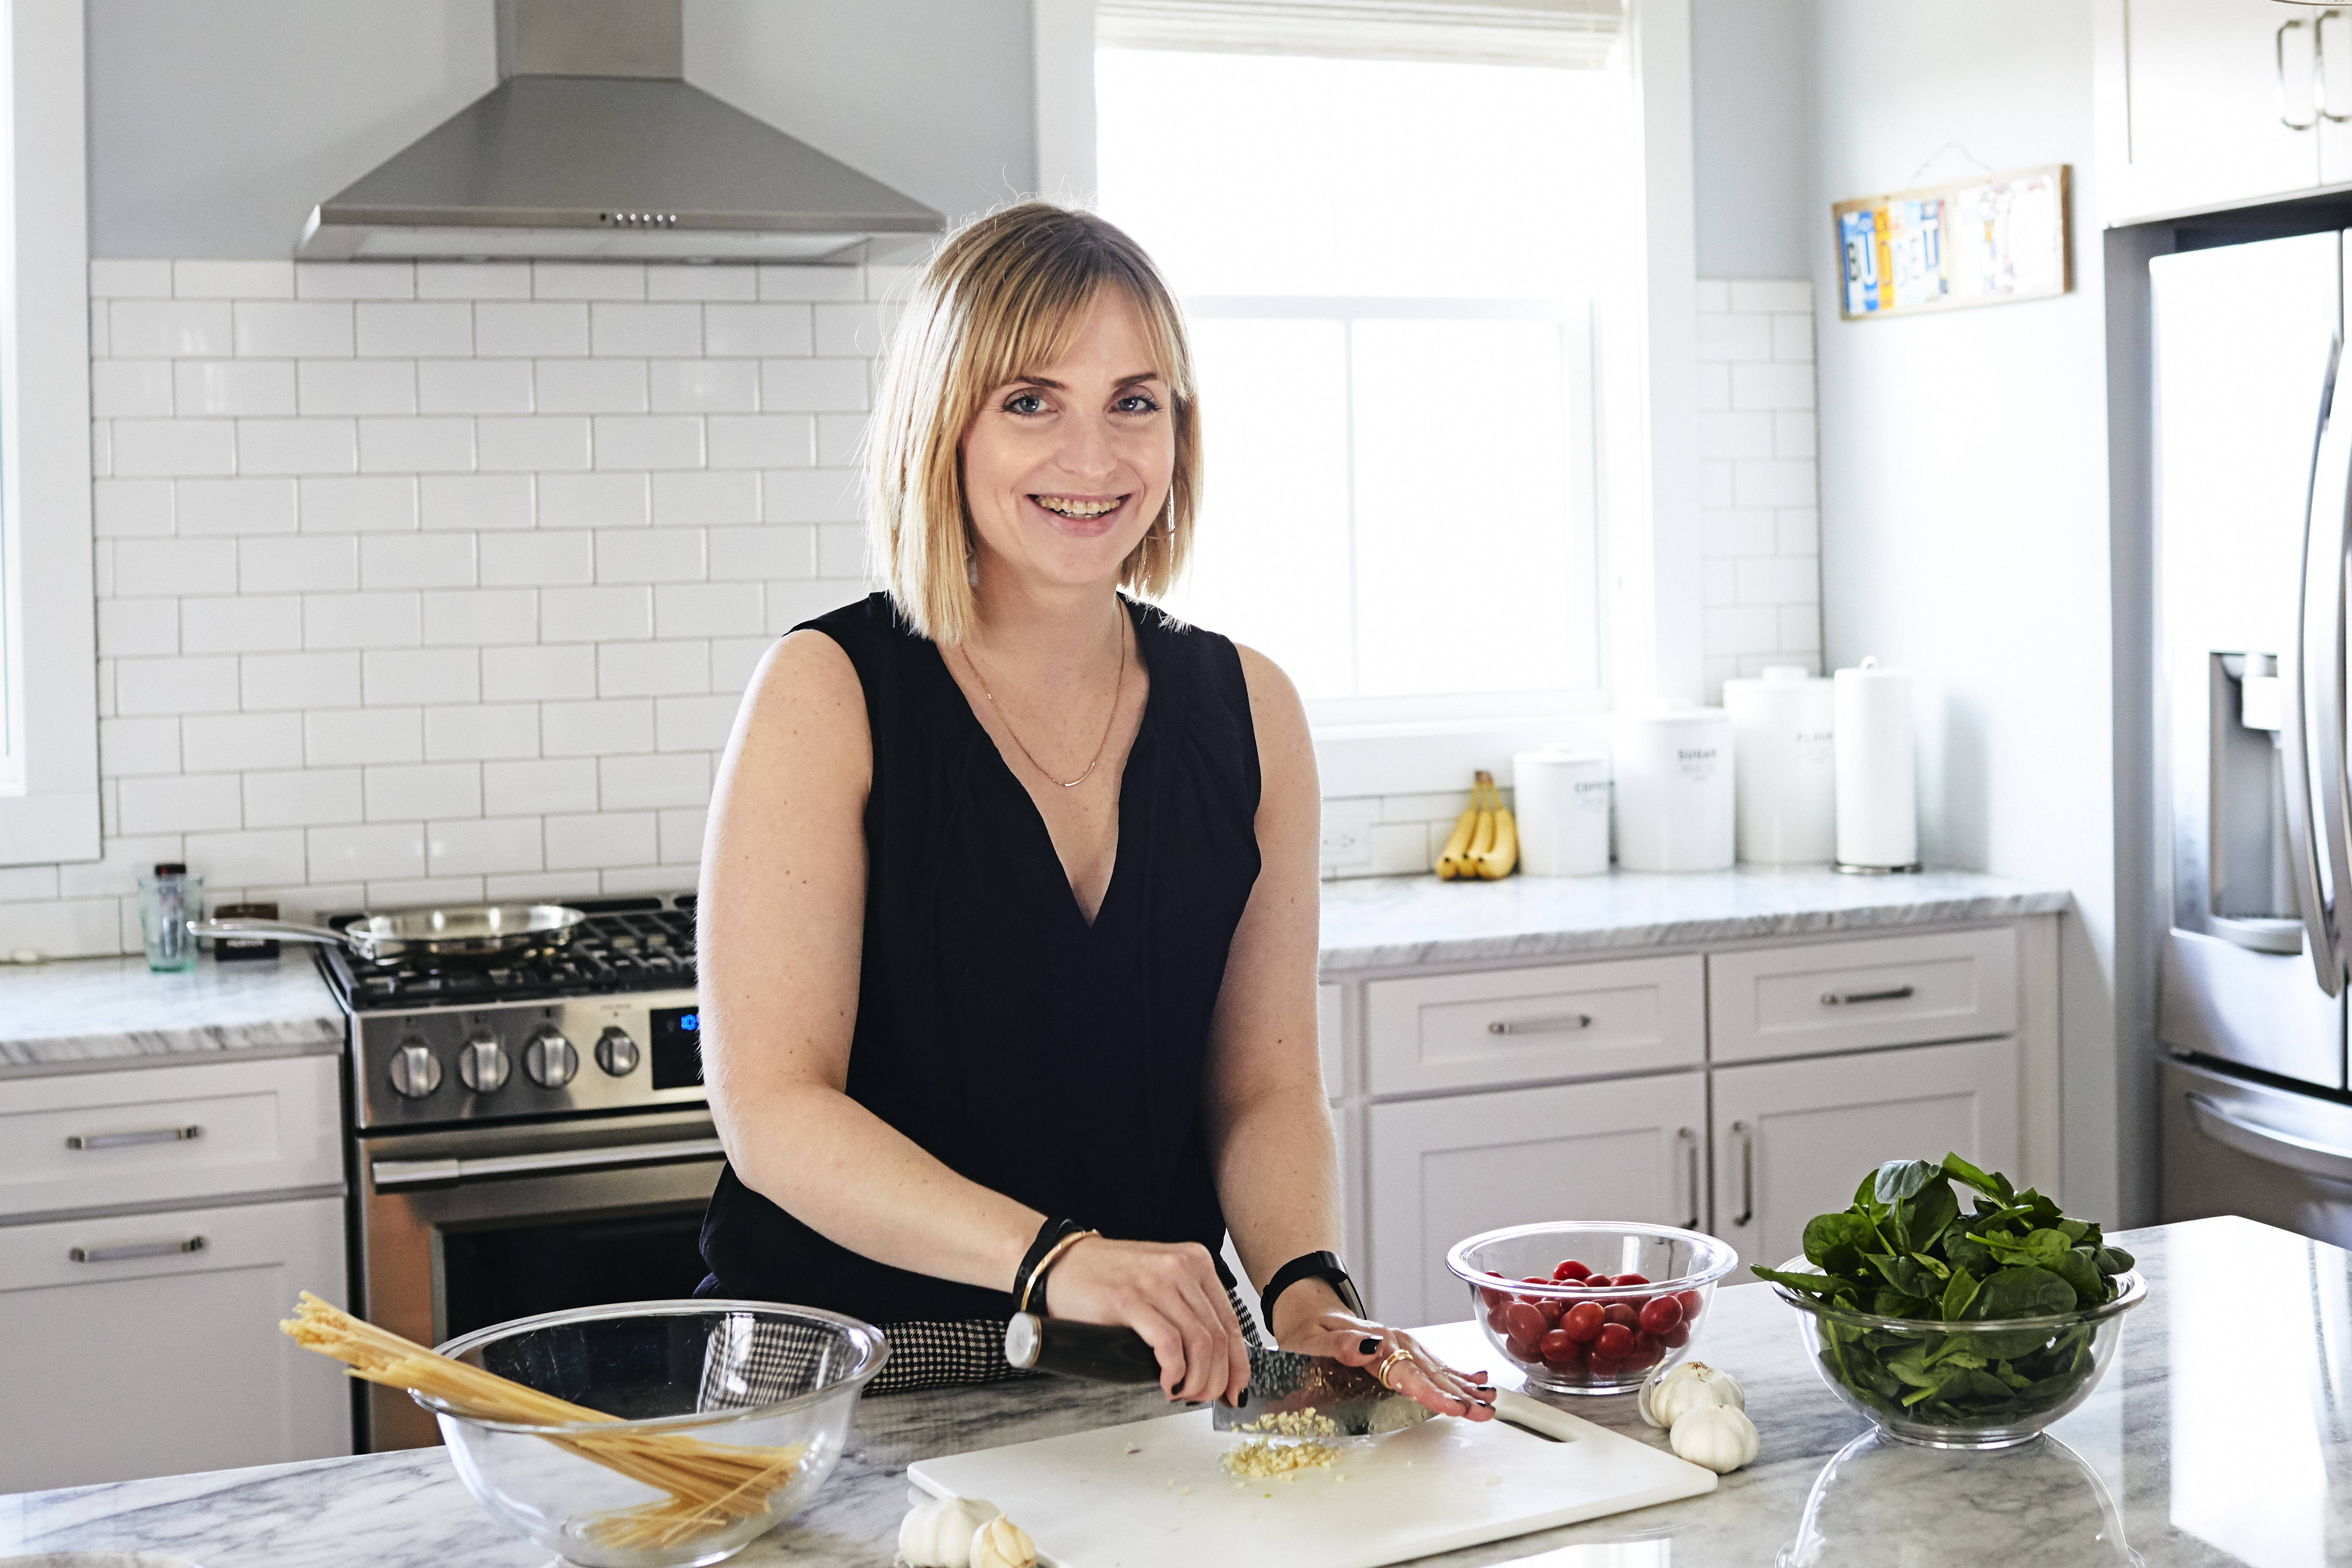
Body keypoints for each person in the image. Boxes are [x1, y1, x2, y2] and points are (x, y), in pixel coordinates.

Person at [694, 201, 1494, 1421]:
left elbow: (1262, 1088)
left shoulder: (1250, 707)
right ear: (941, 427)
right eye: (1029, 401)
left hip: (1155, 1377)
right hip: (847, 1383)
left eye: (1134, 400)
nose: (1094, 456)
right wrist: (1057, 1259)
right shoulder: (827, 692)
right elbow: (774, 1111)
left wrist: (1300, 1286)